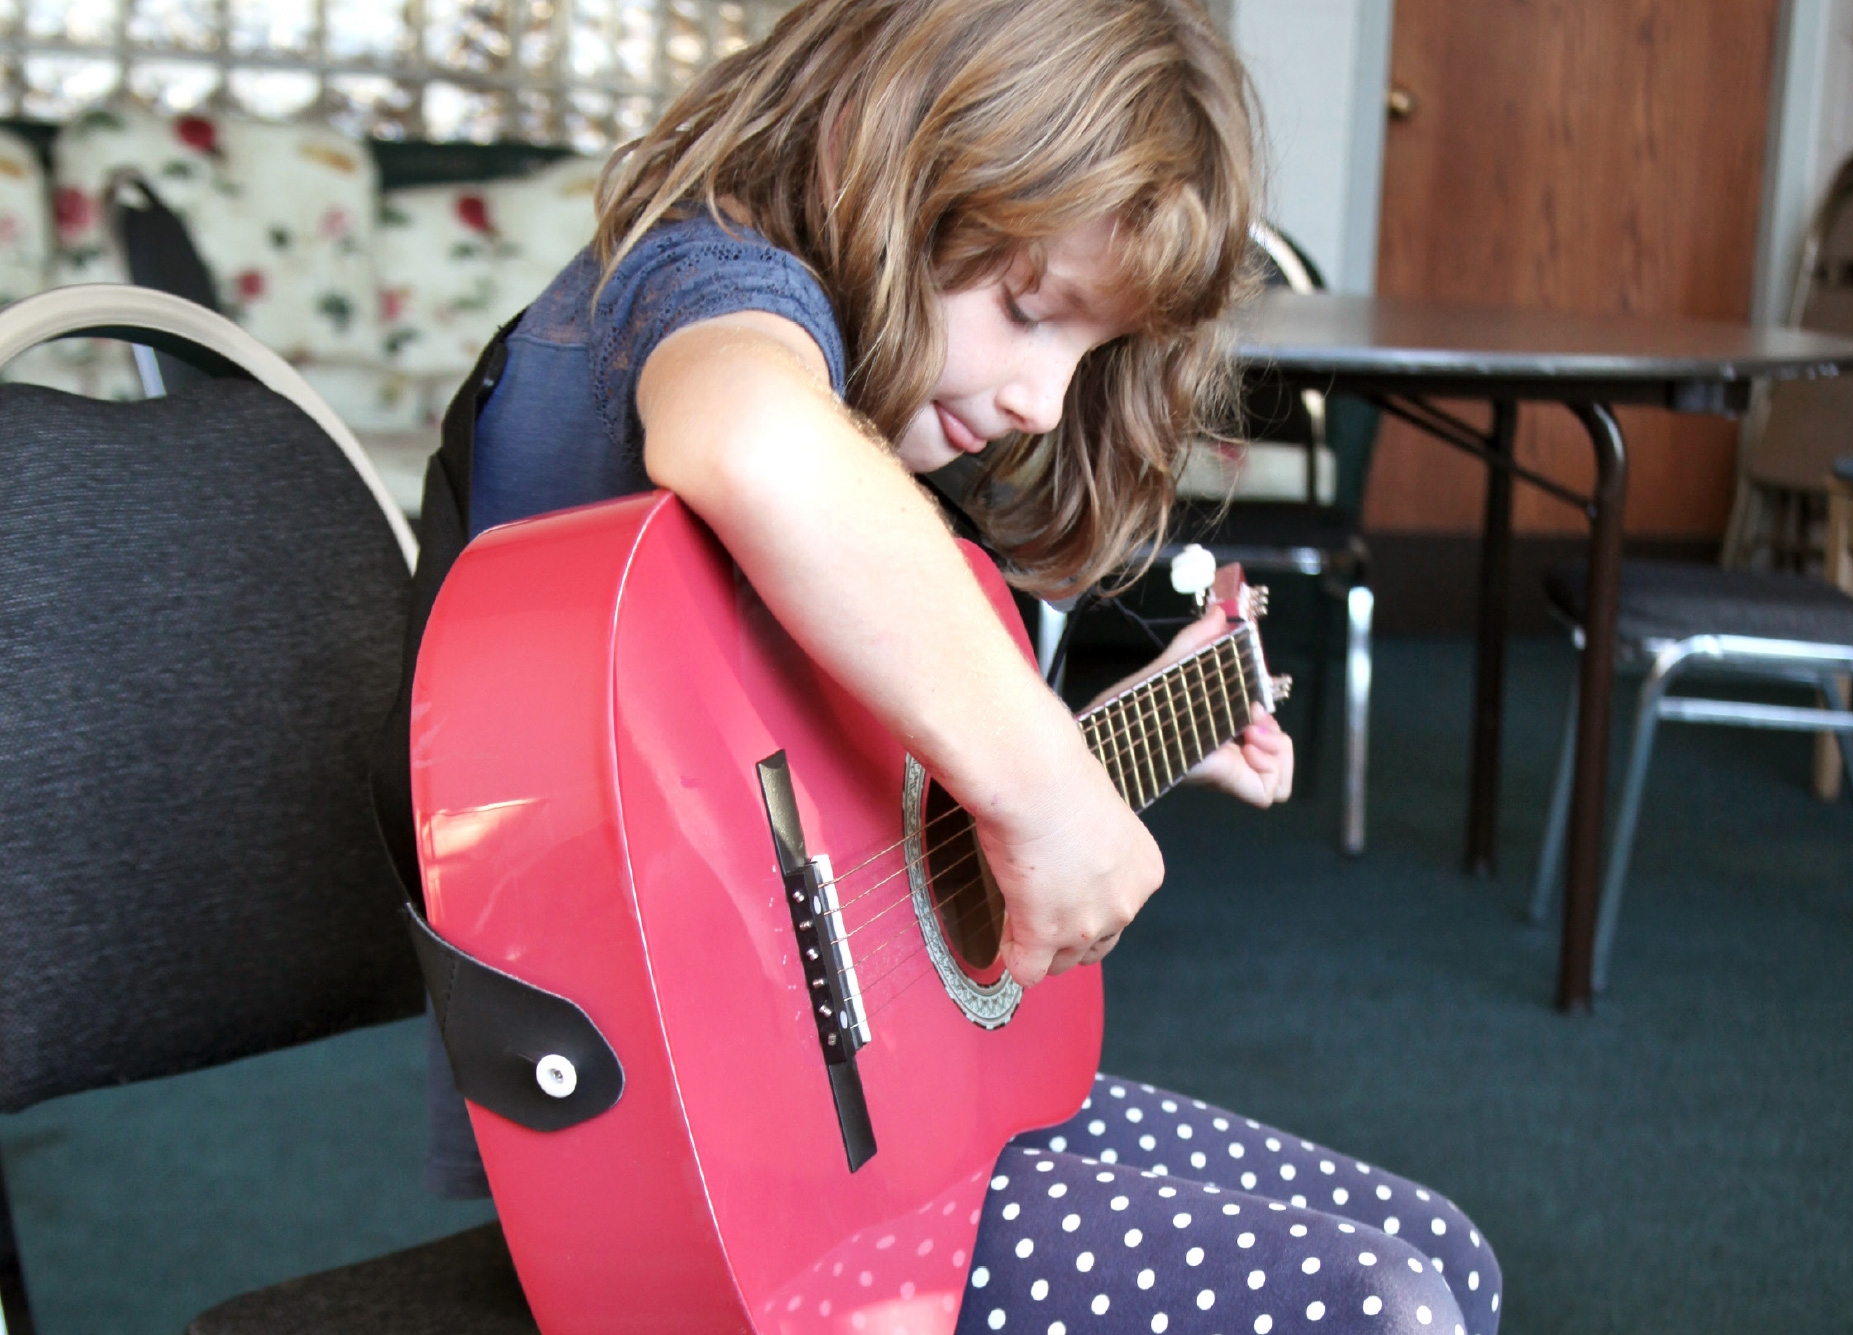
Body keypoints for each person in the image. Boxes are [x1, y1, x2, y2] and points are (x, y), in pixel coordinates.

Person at [385, 1, 1502, 1331]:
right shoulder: (705, 282)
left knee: (1444, 1254)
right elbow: (755, 442)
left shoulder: (852, 418)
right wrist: (1047, 788)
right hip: (710, 1182)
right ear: (883, 147)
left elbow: (817, 842)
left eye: (1088, 353)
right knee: (1387, 1309)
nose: (1043, 399)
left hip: (862, 1139)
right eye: (1028, 308)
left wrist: (1128, 743)